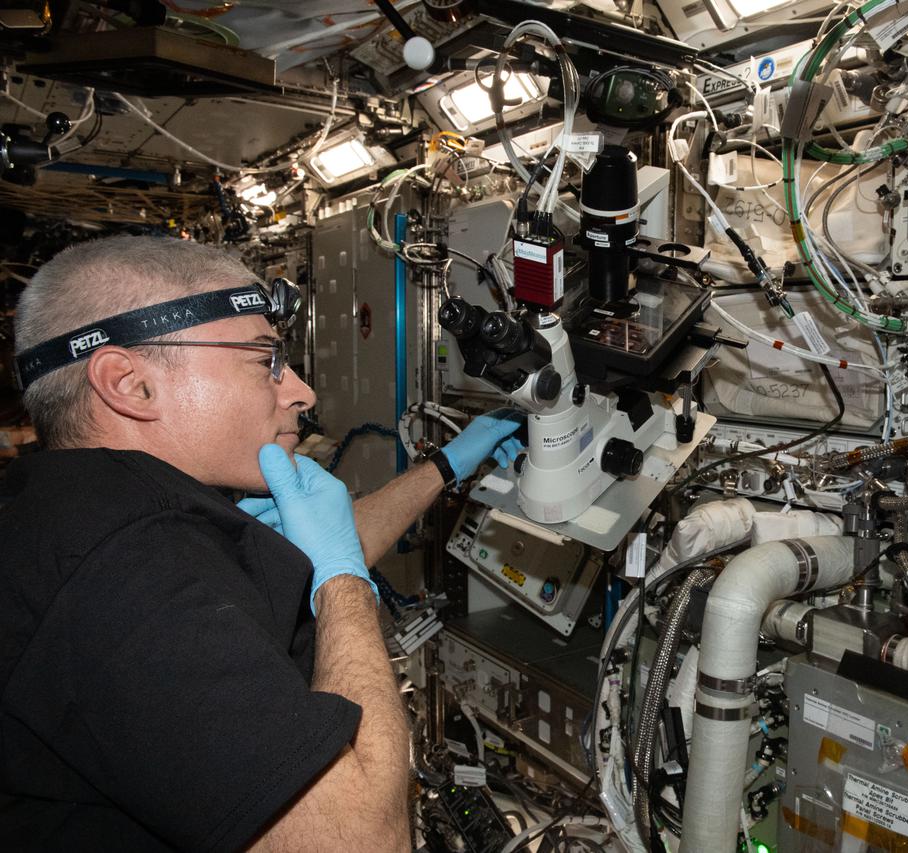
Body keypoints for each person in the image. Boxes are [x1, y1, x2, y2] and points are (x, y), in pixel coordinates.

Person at [0, 235, 524, 851]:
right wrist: (343, 585)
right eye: (263, 360)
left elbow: (323, 548)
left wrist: (447, 466)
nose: (299, 391)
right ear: (130, 384)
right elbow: (362, 839)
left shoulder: (84, 506)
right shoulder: (124, 573)